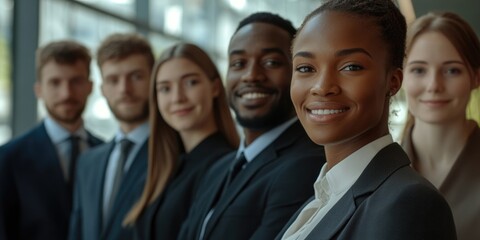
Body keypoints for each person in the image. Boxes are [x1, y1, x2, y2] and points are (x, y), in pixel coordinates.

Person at [278, 1, 457, 239]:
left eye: (350, 67)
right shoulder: (321, 198)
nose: (321, 87)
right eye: (306, 68)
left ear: (393, 81)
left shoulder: (408, 203)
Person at [178, 12, 325, 240]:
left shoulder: (308, 165)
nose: (251, 75)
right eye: (238, 63)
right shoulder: (218, 168)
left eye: (271, 62)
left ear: (300, 73)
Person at [122, 43, 240, 240]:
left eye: (191, 83)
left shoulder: (227, 168)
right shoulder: (162, 168)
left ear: (215, 88)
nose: (177, 98)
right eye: (165, 89)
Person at [0, 40, 103, 240]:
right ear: (39, 89)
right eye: (55, 82)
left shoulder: (108, 153)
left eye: (76, 81)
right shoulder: (7, 159)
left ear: (90, 87)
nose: (67, 93)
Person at [401, 11, 480, 240]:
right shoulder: (374, 170)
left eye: (451, 70)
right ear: (400, 77)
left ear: (475, 77)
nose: (434, 85)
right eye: (419, 70)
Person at [68, 33, 154, 240]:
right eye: (113, 80)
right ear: (103, 89)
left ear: (154, 80)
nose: (124, 89)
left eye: (136, 76)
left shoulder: (176, 154)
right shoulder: (88, 162)